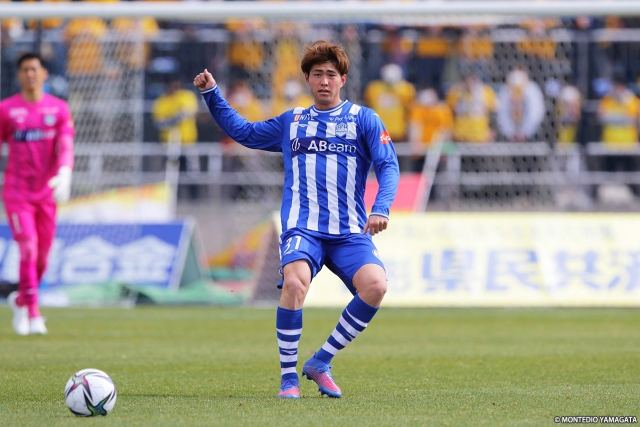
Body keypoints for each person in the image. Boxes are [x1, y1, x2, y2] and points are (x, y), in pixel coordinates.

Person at [194, 40, 399, 399]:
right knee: (294, 284)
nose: (324, 81)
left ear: (343, 79)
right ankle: (288, 379)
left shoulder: (364, 119)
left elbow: (388, 165)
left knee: (376, 286)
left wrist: (381, 207)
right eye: (317, 74)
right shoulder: (293, 121)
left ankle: (321, 361)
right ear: (307, 79)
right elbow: (245, 133)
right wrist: (212, 94)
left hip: (349, 230)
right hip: (304, 227)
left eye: (331, 74)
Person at [0, 52, 75, 335]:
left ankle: (20, 300)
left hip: (46, 195)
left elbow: (66, 145)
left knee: (42, 258)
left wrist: (65, 172)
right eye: (25, 70)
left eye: (34, 69)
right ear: (19, 75)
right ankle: (33, 312)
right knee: (28, 248)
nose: (30, 74)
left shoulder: (58, 109)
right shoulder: (7, 110)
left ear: (44, 73)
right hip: (17, 193)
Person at [496, 68, 545, 142]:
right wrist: (510, 133)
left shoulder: (532, 90)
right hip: (508, 136)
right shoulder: (505, 91)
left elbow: (536, 113)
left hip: (532, 136)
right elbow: (501, 113)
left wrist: (525, 132)